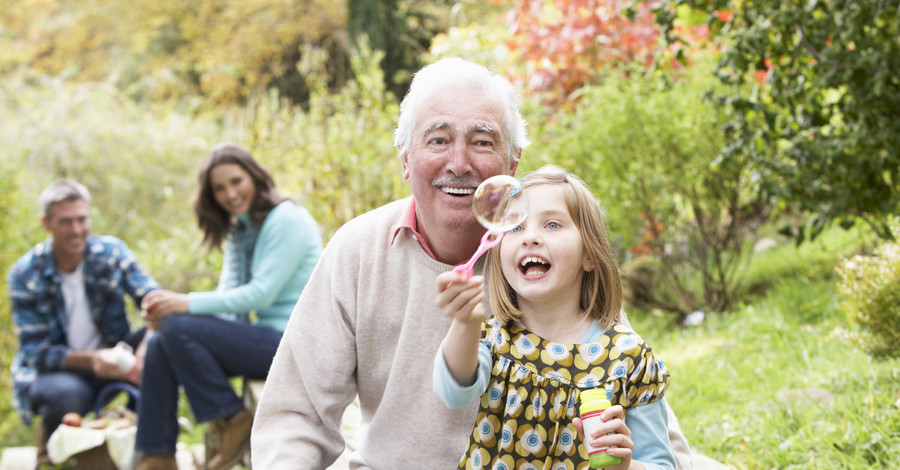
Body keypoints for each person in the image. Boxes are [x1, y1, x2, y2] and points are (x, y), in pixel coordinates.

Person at [252, 57, 693, 468]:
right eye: (438, 139)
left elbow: (639, 410)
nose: (459, 163)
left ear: (513, 162)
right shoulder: (358, 249)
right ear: (405, 158)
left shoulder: (549, 267)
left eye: (482, 141)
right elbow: (296, 415)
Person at [433, 165, 675, 469]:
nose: (530, 237)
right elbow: (453, 392)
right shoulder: (495, 338)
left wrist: (625, 466)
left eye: (552, 224)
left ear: (589, 254)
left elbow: (662, 464)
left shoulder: (628, 359)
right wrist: (465, 322)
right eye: (516, 227)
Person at [133, 142, 323, 470]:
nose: (230, 194)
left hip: (296, 345)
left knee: (177, 325)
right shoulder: (243, 228)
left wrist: (183, 304)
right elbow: (230, 299)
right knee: (163, 340)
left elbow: (260, 295)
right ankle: (158, 455)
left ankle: (230, 417)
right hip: (266, 339)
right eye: (219, 188)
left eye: (236, 181)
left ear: (254, 176)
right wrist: (166, 321)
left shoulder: (286, 219)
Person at [8, 179, 159, 467]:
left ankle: (146, 450)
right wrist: (94, 360)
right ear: (46, 223)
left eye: (82, 219)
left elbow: (155, 300)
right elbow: (36, 352)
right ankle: (51, 455)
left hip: (113, 357)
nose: (76, 230)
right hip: (53, 372)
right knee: (69, 392)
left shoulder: (112, 253)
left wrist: (146, 345)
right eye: (66, 222)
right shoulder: (24, 274)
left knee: (162, 344)